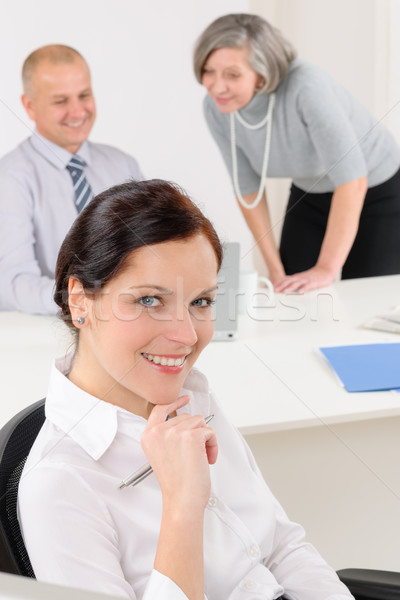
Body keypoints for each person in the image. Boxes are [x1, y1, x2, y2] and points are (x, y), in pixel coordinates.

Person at [18, 179, 353, 600]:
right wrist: (182, 507)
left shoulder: (193, 398)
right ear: (81, 301)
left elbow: (281, 546)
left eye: (201, 302)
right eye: (149, 301)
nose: (186, 335)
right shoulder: (59, 485)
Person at [193, 13, 400, 294]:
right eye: (208, 71)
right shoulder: (217, 109)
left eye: (232, 74)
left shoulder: (306, 87)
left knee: (364, 295)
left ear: (262, 73)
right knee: (289, 289)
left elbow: (352, 181)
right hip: (310, 192)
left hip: (378, 191)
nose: (217, 86)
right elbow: (248, 192)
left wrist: (326, 269)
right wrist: (274, 268)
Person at [0, 44, 143, 315]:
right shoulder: (10, 179)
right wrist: (87, 301)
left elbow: (147, 252)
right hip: (48, 331)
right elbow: (13, 284)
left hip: (125, 325)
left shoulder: (123, 165)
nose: (78, 112)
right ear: (29, 106)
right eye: (60, 101)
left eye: (84, 95)